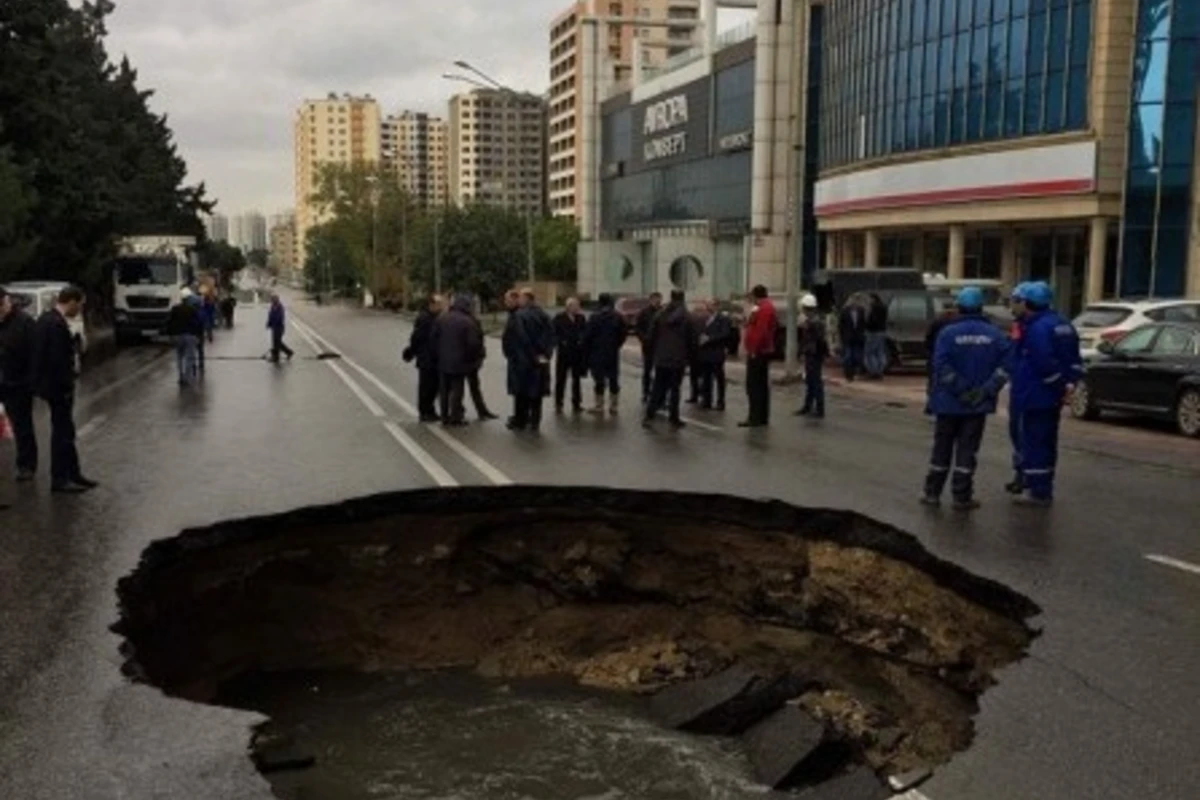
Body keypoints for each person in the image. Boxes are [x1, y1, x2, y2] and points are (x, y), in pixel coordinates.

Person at [920, 287, 1010, 511]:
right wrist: (984, 391)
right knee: (967, 450)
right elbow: (1007, 366)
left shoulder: (948, 333)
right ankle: (961, 496)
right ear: (981, 307)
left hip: (948, 402)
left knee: (942, 447)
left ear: (959, 306)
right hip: (977, 406)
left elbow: (940, 366)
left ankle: (933, 492)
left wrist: (960, 389)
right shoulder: (994, 334)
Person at [1009, 281, 1082, 507]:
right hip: (1052, 395)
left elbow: (1042, 361)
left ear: (1028, 302)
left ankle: (1037, 490)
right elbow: (1074, 359)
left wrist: (1057, 383)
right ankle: (1043, 484)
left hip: (1036, 392)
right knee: (1048, 441)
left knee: (1035, 441)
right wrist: (1069, 384)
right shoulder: (1064, 324)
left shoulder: (1037, 328)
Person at [30, 286, 97, 494]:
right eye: (80, 305)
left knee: (67, 431)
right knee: (62, 433)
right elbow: (53, 359)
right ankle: (60, 478)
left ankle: (73, 473)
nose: (80, 310)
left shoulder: (47, 320)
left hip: (54, 386)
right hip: (57, 388)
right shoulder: (55, 324)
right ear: (72, 302)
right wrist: (64, 385)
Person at [643, 290, 696, 430]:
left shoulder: (660, 314)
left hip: (661, 356)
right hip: (678, 358)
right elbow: (692, 340)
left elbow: (650, 337)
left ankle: (649, 415)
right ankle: (674, 417)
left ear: (671, 298)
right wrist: (691, 359)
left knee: (657, 387)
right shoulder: (687, 316)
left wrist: (653, 353)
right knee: (675, 389)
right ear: (683, 298)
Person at [0, 288, 38, 482]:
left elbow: (35, 355)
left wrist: (31, 381)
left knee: (22, 426)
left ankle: (26, 465)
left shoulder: (24, 323)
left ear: (6, 302)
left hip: (17, 384)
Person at [503, 289, 555, 432]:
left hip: (523, 360)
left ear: (526, 299)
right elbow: (551, 337)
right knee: (537, 393)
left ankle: (520, 420)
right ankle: (535, 422)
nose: (518, 301)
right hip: (541, 360)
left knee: (521, 392)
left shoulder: (519, 316)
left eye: (520, 297)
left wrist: (528, 355)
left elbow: (520, 338)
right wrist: (545, 355)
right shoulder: (544, 315)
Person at [430, 294, 484, 427]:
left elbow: (433, 339)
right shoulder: (468, 321)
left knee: (444, 390)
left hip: (443, 361)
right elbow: (473, 344)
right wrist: (472, 359)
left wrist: (437, 356)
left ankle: (444, 416)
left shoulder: (441, 319)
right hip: (460, 362)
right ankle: (455, 417)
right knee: (457, 389)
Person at [1003, 283, 1031, 493]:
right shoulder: (1019, 324)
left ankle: (1027, 476)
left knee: (1025, 431)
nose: (1011, 306)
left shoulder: (1033, 326)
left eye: (1015, 301)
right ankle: (1021, 473)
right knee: (1017, 430)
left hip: (1028, 387)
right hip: (1020, 385)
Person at [739, 285, 778, 428]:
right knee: (760, 385)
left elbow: (761, 331)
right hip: (762, 350)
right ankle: (761, 416)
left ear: (756, 295)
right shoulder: (763, 307)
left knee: (754, 385)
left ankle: (755, 417)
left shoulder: (764, 308)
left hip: (759, 352)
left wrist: (754, 349)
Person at [581, 293, 626, 415]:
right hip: (612, 352)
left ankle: (599, 405)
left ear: (599, 302)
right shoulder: (618, 317)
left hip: (597, 352)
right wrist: (616, 345)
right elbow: (623, 334)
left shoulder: (595, 317)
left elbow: (587, 336)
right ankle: (614, 406)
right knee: (613, 378)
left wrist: (586, 350)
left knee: (599, 380)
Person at [404, 294, 443, 422]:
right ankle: (424, 412)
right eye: (438, 304)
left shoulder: (436, 317)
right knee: (426, 387)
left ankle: (430, 410)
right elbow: (417, 338)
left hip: (435, 358)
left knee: (434, 386)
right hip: (426, 358)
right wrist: (412, 351)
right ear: (431, 305)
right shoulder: (425, 318)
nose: (441, 306)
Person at [794, 293, 830, 418]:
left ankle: (818, 409)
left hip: (814, 354)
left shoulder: (814, 322)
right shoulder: (813, 320)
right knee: (810, 380)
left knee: (815, 381)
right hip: (812, 353)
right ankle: (808, 406)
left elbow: (817, 340)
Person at [923, 302, 960, 416]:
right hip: (952, 357)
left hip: (936, 355)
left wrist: (929, 352)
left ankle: (931, 405)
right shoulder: (957, 322)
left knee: (934, 381)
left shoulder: (937, 321)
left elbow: (928, 338)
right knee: (950, 381)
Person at [552, 297, 587, 414]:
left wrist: (582, 340)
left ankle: (576, 403)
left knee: (576, 380)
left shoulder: (581, 318)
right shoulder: (559, 317)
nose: (577, 308)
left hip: (577, 353)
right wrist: (560, 342)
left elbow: (585, 331)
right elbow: (553, 333)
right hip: (563, 353)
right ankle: (558, 403)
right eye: (575, 306)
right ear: (568, 307)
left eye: (578, 305)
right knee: (560, 379)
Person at [464, 304, 499, 422]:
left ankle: (481, 410)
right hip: (465, 359)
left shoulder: (473, 321)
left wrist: (480, 355)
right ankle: (478, 410)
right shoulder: (468, 321)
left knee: (473, 386)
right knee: (462, 387)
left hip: (469, 360)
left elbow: (480, 339)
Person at [696, 299, 731, 411]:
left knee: (719, 378)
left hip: (716, 352)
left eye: (710, 305)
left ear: (716, 306)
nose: (708, 307)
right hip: (705, 353)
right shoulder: (704, 318)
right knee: (706, 378)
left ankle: (720, 401)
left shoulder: (723, 319)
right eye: (707, 305)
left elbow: (725, 334)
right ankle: (707, 400)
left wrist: (709, 339)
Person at [166, 288, 204, 386]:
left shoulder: (175, 309)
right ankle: (187, 378)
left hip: (177, 336)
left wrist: (170, 335)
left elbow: (169, 323)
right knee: (189, 357)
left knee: (179, 356)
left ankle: (181, 376)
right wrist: (199, 336)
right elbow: (198, 323)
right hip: (190, 336)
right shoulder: (193, 310)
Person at [634, 292, 663, 404]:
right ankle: (646, 392)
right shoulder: (644, 312)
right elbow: (638, 328)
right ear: (651, 300)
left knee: (660, 371)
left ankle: (658, 393)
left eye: (659, 300)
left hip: (660, 346)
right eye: (656, 300)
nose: (657, 302)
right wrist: (644, 339)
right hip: (648, 346)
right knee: (647, 370)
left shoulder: (663, 311)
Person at [838, 295, 867, 381]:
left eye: (857, 300)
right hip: (847, 337)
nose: (855, 302)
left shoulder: (861, 311)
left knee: (856, 356)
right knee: (848, 356)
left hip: (858, 337)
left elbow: (863, 324)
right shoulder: (845, 311)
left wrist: (863, 334)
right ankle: (848, 374)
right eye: (853, 300)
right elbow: (841, 325)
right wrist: (842, 336)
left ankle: (853, 372)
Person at [864, 292, 889, 379]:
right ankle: (880, 370)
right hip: (882, 331)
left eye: (869, 299)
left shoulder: (874, 308)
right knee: (880, 352)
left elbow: (872, 320)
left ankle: (873, 371)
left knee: (870, 353)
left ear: (873, 299)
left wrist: (866, 325)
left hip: (873, 332)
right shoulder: (884, 307)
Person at [266, 294, 294, 363]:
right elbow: (270, 316)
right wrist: (268, 324)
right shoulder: (273, 307)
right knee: (276, 342)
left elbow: (280, 317)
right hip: (274, 327)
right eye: (272, 300)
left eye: (274, 300)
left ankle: (277, 357)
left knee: (277, 342)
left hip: (279, 327)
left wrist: (274, 324)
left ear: (277, 300)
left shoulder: (280, 307)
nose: (272, 301)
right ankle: (288, 352)